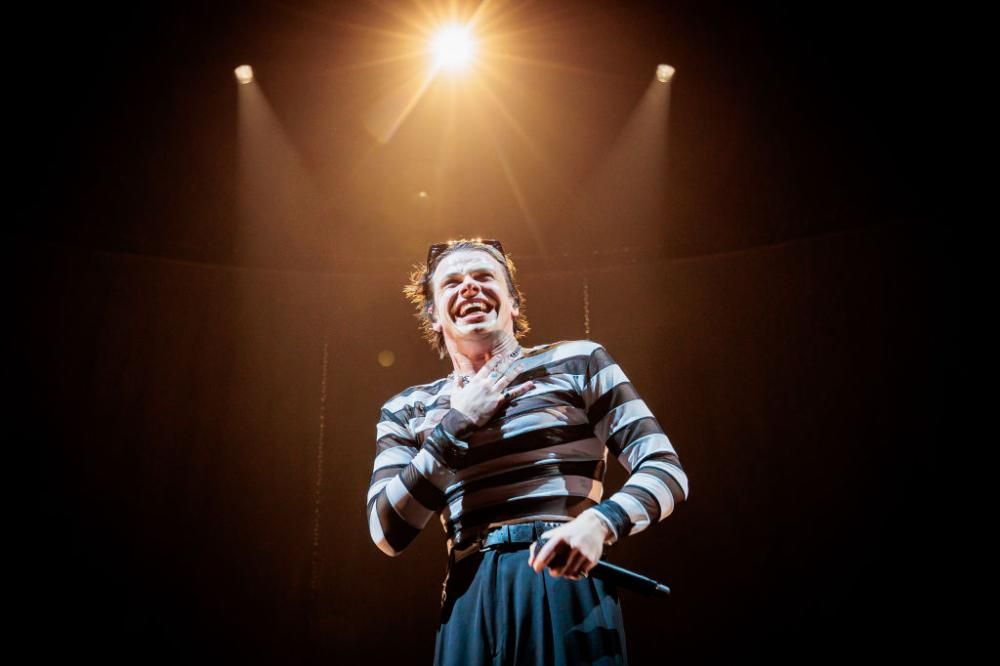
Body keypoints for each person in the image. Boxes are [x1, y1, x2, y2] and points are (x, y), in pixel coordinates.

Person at [367, 239, 689, 665]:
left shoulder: (578, 361)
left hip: (564, 583)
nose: (469, 287)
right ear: (433, 315)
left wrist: (600, 523)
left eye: (483, 276)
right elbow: (386, 532)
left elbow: (664, 468)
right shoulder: (409, 408)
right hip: (471, 591)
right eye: (452, 282)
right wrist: (456, 425)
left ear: (514, 303)